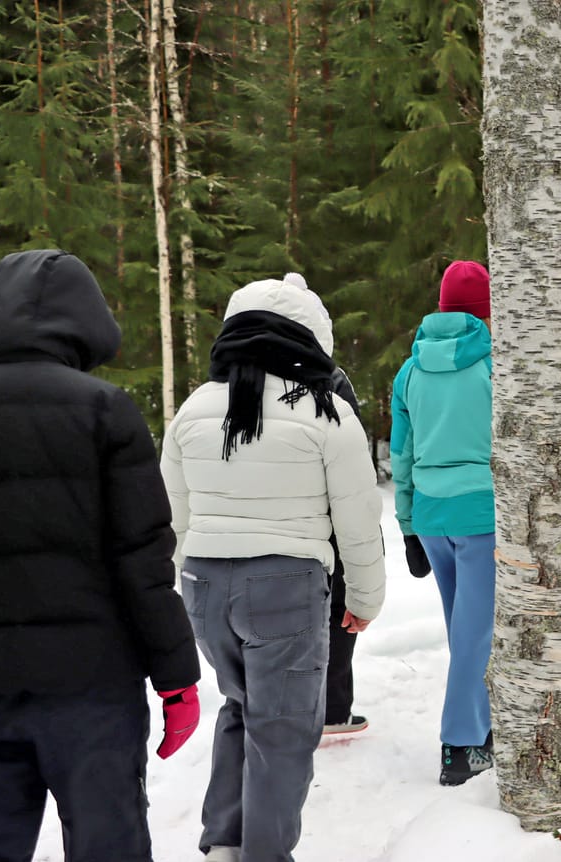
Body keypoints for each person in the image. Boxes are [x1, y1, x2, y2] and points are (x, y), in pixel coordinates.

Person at [0, 250, 201, 861]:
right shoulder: (104, 410)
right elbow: (143, 561)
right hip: (92, 691)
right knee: (110, 845)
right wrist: (177, 678)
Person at [161, 272, 386, 862]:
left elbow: (174, 516)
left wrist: (179, 587)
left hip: (206, 588)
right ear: (311, 336)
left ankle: (224, 844)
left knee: (241, 707)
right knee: (284, 731)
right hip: (284, 588)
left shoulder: (193, 409)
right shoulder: (326, 411)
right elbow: (358, 518)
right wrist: (364, 597)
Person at [391, 259, 496, 786]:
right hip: (482, 514)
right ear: (486, 313)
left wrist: (408, 523)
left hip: (433, 517)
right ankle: (461, 747)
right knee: (477, 635)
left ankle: (482, 724)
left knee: (465, 633)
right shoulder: (496, 364)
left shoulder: (409, 371)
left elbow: (402, 454)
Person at [322, 366, 389, 735]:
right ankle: (332, 711)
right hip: (332, 516)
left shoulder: (242, 378)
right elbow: (352, 453)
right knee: (339, 612)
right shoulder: (331, 378)